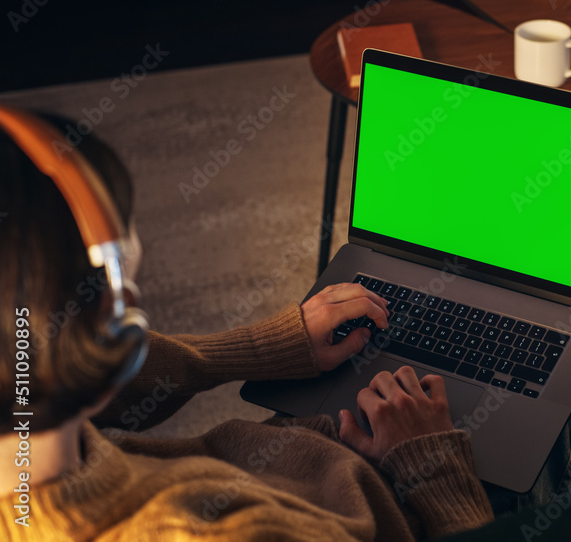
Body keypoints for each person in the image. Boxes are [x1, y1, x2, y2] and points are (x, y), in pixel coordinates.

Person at [0, 108, 494, 540]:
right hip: (389, 485)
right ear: (112, 339)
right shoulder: (231, 532)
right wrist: (432, 466)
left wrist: (261, 347)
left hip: (285, 458)